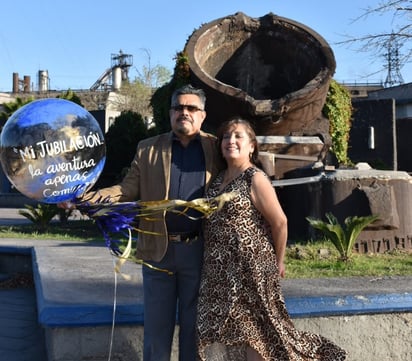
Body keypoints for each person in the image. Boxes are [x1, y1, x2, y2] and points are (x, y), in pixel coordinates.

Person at [83, 84, 221, 361]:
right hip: (158, 252)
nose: (185, 112)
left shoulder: (217, 148)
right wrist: (85, 197)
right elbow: (126, 189)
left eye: (191, 108)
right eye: (178, 107)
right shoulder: (147, 150)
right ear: (169, 113)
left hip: (200, 252)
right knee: (156, 333)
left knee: (195, 333)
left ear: (202, 114)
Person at [197, 117, 347, 361]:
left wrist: (279, 261)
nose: (230, 141)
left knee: (257, 333)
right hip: (217, 274)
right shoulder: (216, 180)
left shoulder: (254, 178)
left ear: (251, 146)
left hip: (251, 272)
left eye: (238, 136)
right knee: (221, 333)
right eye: (226, 136)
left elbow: (280, 222)